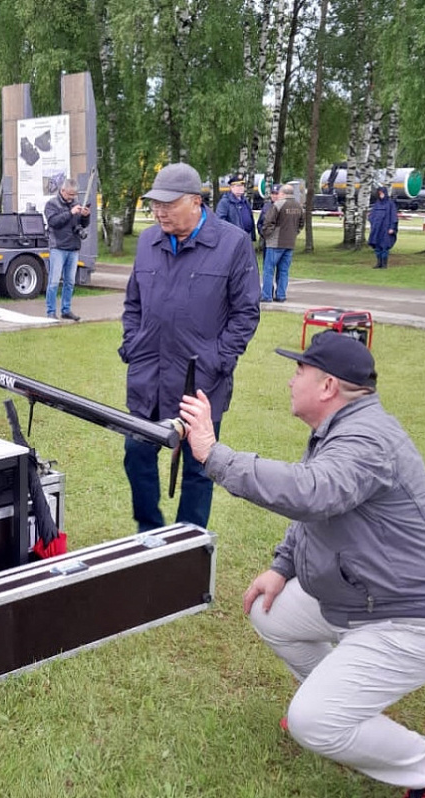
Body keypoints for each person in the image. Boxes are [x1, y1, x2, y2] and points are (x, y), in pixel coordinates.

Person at [178, 330, 425, 798]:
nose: (291, 379)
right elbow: (321, 510)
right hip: (368, 599)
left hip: (418, 619)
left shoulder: (367, 439)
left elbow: (312, 492)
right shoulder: (341, 429)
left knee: (312, 722)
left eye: (300, 370)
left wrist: (213, 454)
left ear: (328, 386)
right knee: (270, 611)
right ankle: (342, 708)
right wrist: (282, 566)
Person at [120, 162, 260, 531]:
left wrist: (218, 359)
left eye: (169, 204)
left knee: (199, 467)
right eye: (156, 204)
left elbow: (246, 313)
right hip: (148, 376)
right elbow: (133, 303)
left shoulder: (233, 244)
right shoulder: (148, 242)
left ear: (196, 201)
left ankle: (188, 542)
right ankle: (149, 533)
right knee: (136, 453)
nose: (160, 212)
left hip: (200, 382)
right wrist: (132, 343)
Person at [43, 178, 91, 321]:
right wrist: (70, 213)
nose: (72, 197)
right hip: (58, 247)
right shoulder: (52, 204)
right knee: (54, 281)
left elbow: (82, 224)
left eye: (74, 195)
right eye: (70, 194)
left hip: (73, 247)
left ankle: (66, 310)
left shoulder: (76, 204)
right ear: (62, 190)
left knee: (70, 282)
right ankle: (51, 311)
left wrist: (85, 216)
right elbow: (53, 222)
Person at [260, 183, 305, 302]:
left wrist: (267, 236)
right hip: (290, 243)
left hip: (275, 243)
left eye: (279, 193)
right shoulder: (298, 206)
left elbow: (268, 222)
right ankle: (281, 295)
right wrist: (294, 233)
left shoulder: (278, 205)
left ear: (283, 193)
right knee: (284, 271)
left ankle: (266, 295)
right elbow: (301, 224)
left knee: (269, 270)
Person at [214, 173, 256, 242]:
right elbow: (220, 222)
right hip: (233, 239)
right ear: (231, 187)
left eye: (242, 185)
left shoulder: (245, 201)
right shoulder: (225, 202)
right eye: (238, 186)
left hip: (247, 237)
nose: (240, 188)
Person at [367, 185, 398, 270]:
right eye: (379, 193)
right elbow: (371, 215)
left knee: (384, 246)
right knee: (377, 246)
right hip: (377, 229)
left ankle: (384, 264)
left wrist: (392, 227)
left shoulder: (390, 204)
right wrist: (372, 221)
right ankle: (378, 263)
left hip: (386, 229)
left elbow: (393, 217)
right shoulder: (377, 204)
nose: (381, 195)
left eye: (382, 193)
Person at [256, 182, 281, 266]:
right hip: (268, 242)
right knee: (267, 266)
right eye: (273, 193)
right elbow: (260, 223)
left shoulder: (285, 207)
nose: (274, 196)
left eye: (277, 194)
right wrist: (263, 233)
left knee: (281, 268)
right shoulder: (266, 206)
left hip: (280, 242)